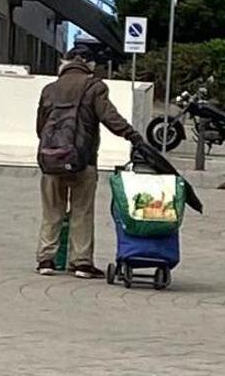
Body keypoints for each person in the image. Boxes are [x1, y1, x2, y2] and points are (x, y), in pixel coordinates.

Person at [35, 45, 144, 279]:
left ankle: (46, 259)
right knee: (81, 211)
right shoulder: (95, 87)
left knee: (52, 210)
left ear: (66, 62)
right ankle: (81, 263)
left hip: (51, 160)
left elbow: (40, 126)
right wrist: (132, 135)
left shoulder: (50, 89)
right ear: (89, 64)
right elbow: (109, 117)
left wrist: (54, 149)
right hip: (83, 160)